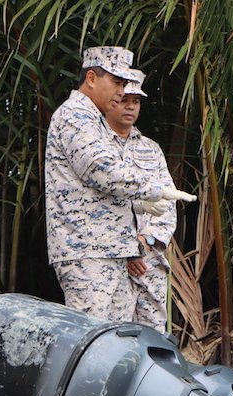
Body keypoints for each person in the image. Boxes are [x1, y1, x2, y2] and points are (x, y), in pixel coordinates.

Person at [44, 45, 196, 321]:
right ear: (92, 78)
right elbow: (102, 171)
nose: (121, 91)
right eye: (117, 82)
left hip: (113, 250)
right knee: (92, 337)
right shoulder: (74, 115)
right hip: (87, 250)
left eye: (125, 84)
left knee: (117, 339)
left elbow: (97, 192)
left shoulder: (94, 121)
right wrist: (154, 190)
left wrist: (142, 210)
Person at [105, 69, 176, 331]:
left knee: (153, 338)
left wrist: (146, 242)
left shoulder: (151, 149)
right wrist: (127, 248)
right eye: (125, 100)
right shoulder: (96, 146)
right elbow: (94, 206)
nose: (130, 106)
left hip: (149, 262)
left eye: (136, 101)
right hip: (112, 264)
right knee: (114, 337)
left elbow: (166, 200)